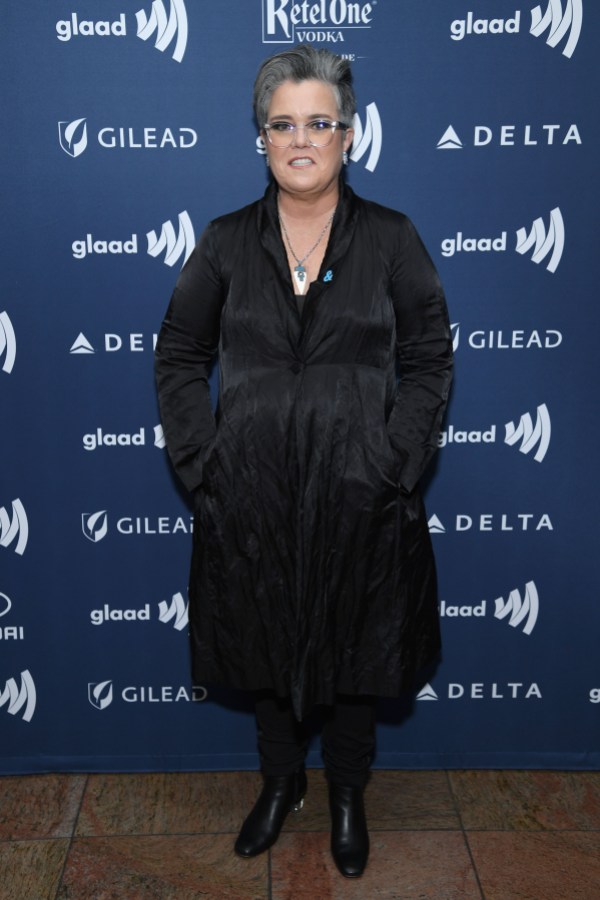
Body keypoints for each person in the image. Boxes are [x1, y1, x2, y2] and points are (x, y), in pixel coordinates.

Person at [155, 44, 453, 878]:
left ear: (349, 136)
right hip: (247, 494)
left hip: (364, 493)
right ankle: (280, 785)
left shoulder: (392, 239)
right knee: (259, 646)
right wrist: (202, 466)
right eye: (281, 124)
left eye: (318, 122)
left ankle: (348, 795)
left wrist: (395, 465)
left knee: (358, 655)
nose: (300, 139)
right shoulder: (220, 243)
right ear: (260, 139)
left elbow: (430, 359)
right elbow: (179, 354)